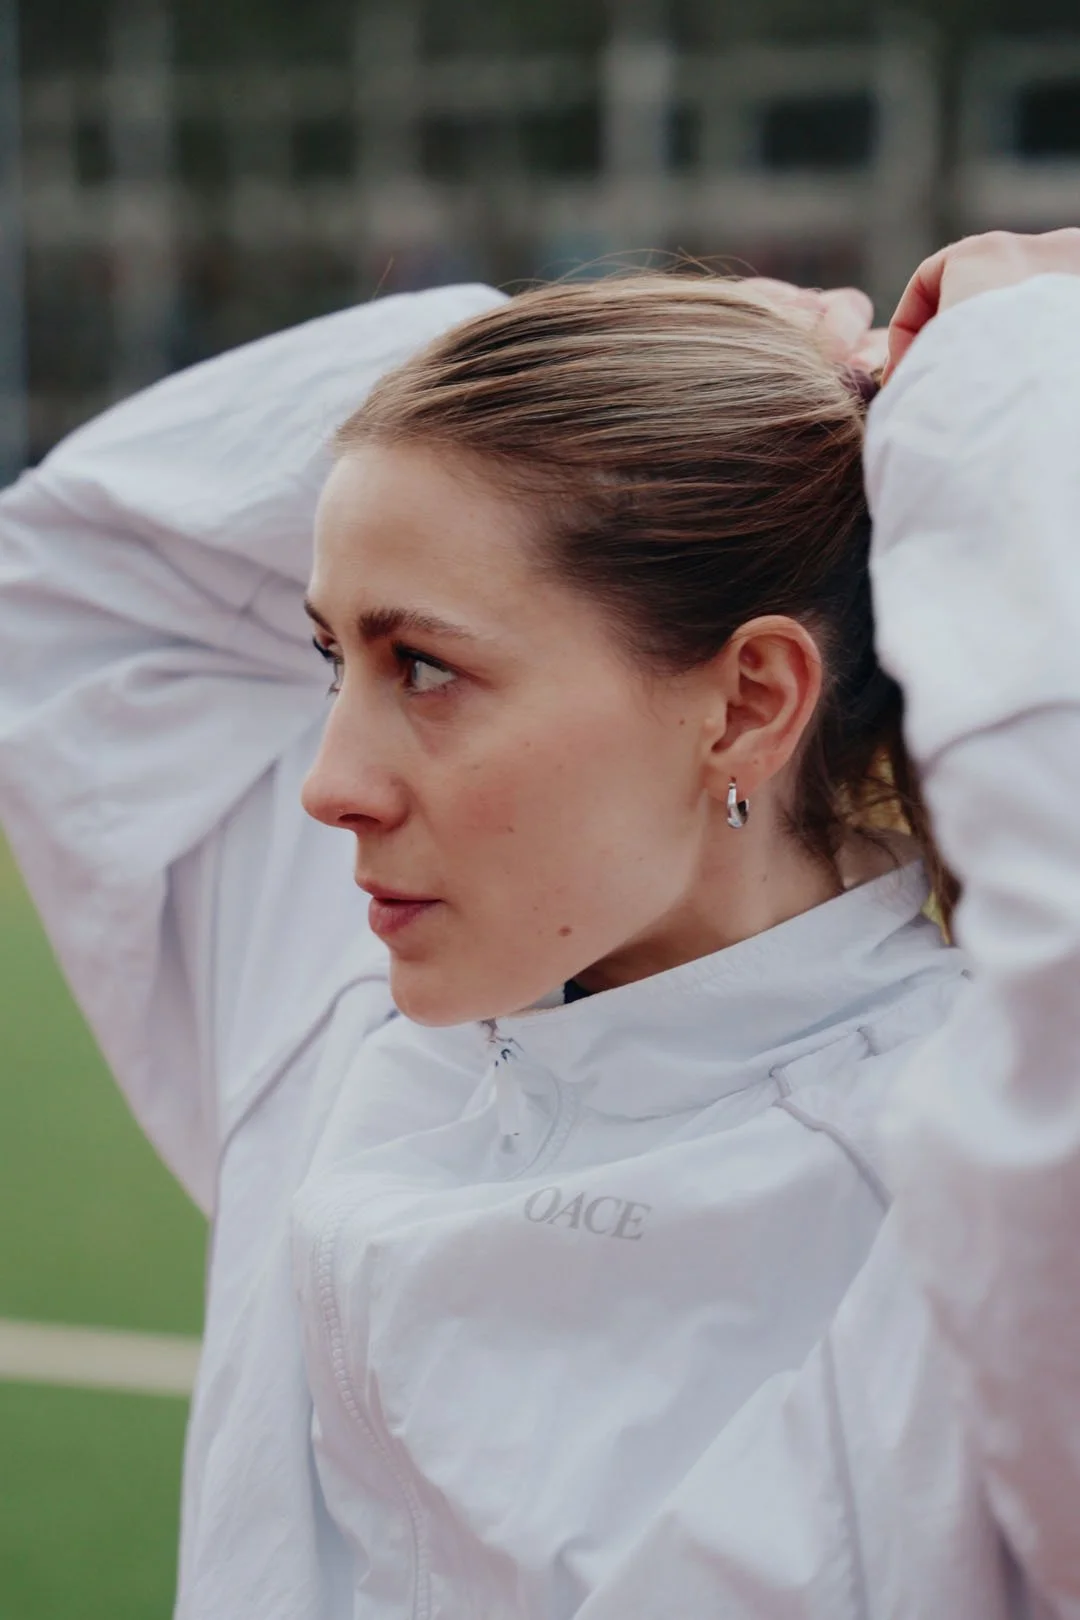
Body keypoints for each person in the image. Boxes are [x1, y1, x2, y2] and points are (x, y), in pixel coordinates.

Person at [0, 228, 1077, 1620]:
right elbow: (69, 589)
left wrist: (1008, 394)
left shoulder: (945, 1204)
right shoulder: (358, 1010)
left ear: (748, 701)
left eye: (426, 667)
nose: (328, 786)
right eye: (333, 657)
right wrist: (551, 356)